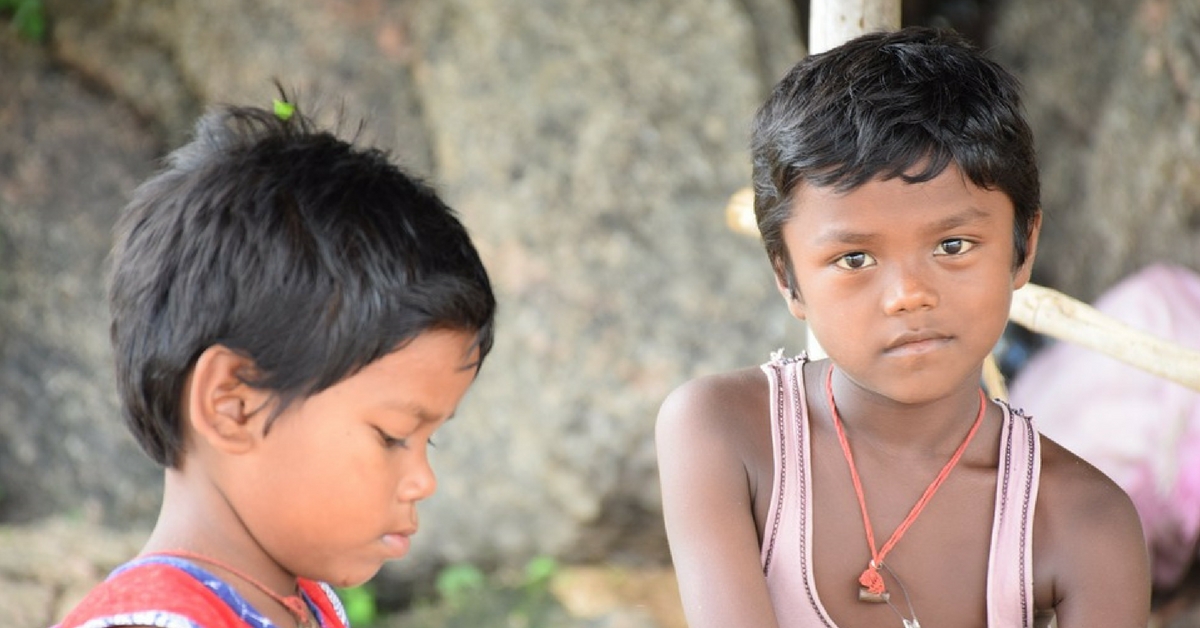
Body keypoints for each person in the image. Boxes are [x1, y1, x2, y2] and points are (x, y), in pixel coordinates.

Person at [656, 27, 1150, 628]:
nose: (909, 295)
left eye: (953, 244)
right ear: (788, 279)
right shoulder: (725, 433)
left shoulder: (1085, 523)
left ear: (1022, 250)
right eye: (855, 259)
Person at [57, 91, 496, 628]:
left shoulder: (305, 603)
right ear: (233, 405)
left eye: (430, 440)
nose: (423, 481)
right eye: (392, 435)